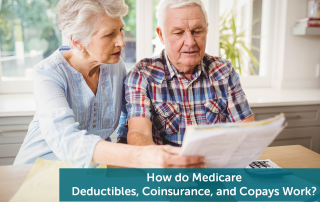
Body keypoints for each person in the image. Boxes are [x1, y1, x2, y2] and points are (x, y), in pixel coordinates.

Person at [14, 0, 204, 168]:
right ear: (78, 41)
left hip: (91, 173)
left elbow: (127, 113)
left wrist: (122, 145)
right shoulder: (48, 73)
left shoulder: (114, 65)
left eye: (120, 29)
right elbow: (66, 141)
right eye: (109, 35)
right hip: (37, 171)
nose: (121, 42)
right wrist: (140, 156)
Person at [125, 0, 255, 147]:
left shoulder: (224, 71)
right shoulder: (142, 75)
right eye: (179, 33)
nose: (190, 42)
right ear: (161, 35)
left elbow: (247, 130)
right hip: (168, 168)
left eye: (197, 31)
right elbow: (139, 134)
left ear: (206, 29)